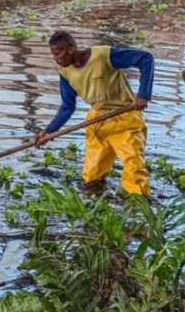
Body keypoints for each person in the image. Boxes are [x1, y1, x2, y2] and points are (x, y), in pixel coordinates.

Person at [36, 30, 154, 196]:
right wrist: (49, 131)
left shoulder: (103, 56)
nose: (55, 59)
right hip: (97, 120)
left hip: (125, 118)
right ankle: (94, 197)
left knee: (133, 167)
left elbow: (145, 58)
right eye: (53, 55)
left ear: (70, 50)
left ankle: (139, 207)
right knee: (92, 175)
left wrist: (143, 94)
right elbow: (67, 106)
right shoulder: (65, 72)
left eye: (57, 54)